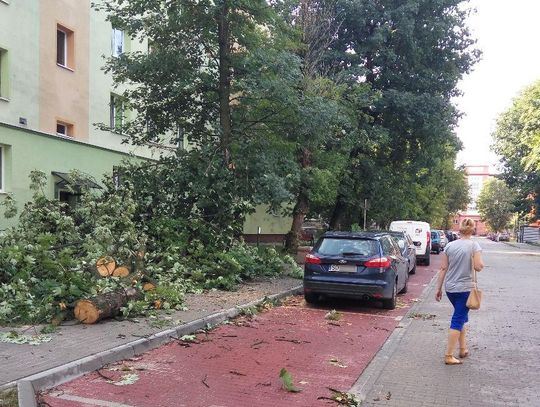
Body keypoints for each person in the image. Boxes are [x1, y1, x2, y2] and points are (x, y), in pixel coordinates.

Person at [435, 218, 484, 365]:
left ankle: (463, 349)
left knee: (461, 317)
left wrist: (438, 288)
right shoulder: (474, 246)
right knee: (457, 320)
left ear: (460, 229)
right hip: (465, 289)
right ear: (472, 229)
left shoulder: (449, 246)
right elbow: (478, 267)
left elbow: (443, 268)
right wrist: (481, 262)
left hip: (450, 288)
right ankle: (449, 356)